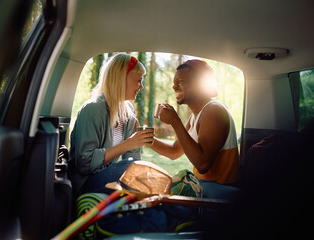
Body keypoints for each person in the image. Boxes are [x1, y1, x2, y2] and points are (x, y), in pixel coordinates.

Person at [150, 59, 240, 201]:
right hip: (203, 187)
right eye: (174, 82)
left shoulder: (214, 111)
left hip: (216, 193)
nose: (174, 86)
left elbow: (203, 164)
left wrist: (175, 121)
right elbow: (174, 152)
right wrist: (145, 139)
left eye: (181, 80)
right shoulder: (195, 116)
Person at [69, 54, 154, 196]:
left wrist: (136, 143)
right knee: (131, 169)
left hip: (109, 180)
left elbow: (133, 160)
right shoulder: (92, 110)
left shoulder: (128, 111)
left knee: (146, 172)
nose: (141, 86)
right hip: (86, 185)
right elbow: (84, 163)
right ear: (121, 78)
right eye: (139, 81)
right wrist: (128, 144)